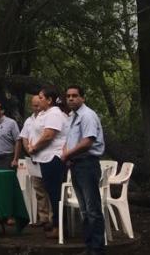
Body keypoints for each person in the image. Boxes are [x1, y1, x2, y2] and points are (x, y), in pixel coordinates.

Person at [62, 85, 107, 255]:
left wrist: (67, 155)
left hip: (88, 164)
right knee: (84, 210)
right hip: (76, 165)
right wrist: (66, 155)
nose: (71, 98)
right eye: (68, 96)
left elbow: (87, 142)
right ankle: (89, 247)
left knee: (92, 209)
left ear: (83, 98)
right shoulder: (72, 117)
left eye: (75, 95)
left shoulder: (88, 116)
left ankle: (97, 249)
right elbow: (69, 140)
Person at [25, 86, 68, 239]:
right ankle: (55, 222)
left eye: (41, 98)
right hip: (44, 158)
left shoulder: (55, 113)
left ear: (49, 100)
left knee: (55, 193)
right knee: (50, 192)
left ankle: (59, 226)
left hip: (53, 158)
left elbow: (49, 135)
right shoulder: (45, 113)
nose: (39, 100)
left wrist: (34, 148)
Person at [17, 96, 51, 227]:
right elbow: (24, 137)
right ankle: (43, 217)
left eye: (38, 105)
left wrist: (37, 148)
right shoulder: (29, 120)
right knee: (38, 189)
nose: (36, 108)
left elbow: (49, 136)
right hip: (34, 158)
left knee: (50, 189)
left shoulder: (48, 117)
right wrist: (29, 151)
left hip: (47, 156)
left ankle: (53, 218)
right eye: (34, 105)